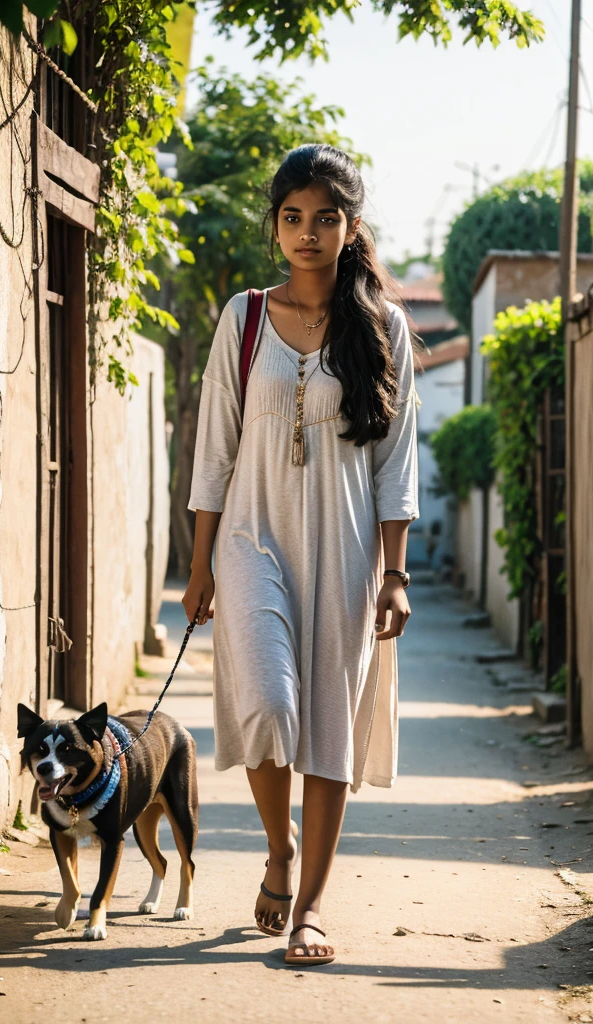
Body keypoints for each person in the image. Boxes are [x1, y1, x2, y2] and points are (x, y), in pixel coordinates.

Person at [182, 143, 419, 967]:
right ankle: (277, 849)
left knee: (325, 725)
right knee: (268, 705)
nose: (307, 233)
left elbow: (395, 465)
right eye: (292, 218)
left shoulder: (384, 327)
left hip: (348, 547)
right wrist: (201, 560)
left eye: (325, 218)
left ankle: (309, 904)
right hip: (252, 535)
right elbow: (213, 448)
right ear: (275, 225)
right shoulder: (244, 318)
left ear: (350, 227)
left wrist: (395, 574)